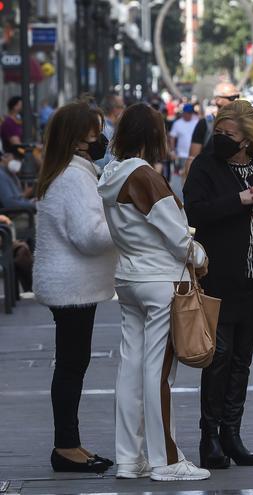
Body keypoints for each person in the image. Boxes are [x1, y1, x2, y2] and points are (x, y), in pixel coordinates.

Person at [97, 103, 211, 482]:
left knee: (131, 367)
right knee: (157, 372)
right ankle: (167, 460)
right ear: (154, 136)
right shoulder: (144, 175)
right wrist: (198, 254)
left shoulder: (111, 174)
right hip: (161, 279)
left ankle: (129, 458)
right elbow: (176, 232)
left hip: (129, 279)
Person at [184, 100, 253, 469]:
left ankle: (232, 434)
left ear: (247, 139)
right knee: (219, 357)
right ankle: (208, 437)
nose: (221, 138)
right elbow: (194, 212)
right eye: (219, 132)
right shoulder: (205, 167)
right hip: (221, 277)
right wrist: (240, 199)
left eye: (229, 134)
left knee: (242, 359)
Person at [33, 100, 117, 474]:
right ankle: (65, 446)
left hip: (73, 285)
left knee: (73, 364)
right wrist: (124, 224)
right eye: (96, 133)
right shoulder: (73, 176)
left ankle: (70, 443)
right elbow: (89, 236)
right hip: (72, 287)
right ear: (77, 140)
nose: (102, 140)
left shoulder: (72, 172)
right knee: (71, 366)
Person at [184, 82, 240, 179]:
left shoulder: (242, 124)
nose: (237, 100)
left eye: (238, 96)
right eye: (232, 98)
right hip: (209, 185)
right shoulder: (205, 124)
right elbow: (192, 158)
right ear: (218, 100)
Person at [96, 93, 126, 169]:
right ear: (115, 109)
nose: (124, 110)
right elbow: (99, 159)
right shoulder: (105, 128)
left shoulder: (110, 127)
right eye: (122, 107)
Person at [169, 104, 199, 176]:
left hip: (193, 156)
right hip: (181, 155)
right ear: (183, 113)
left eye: (190, 113)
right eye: (187, 113)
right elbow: (172, 138)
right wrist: (172, 151)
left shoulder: (196, 122)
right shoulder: (177, 123)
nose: (188, 115)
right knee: (183, 176)